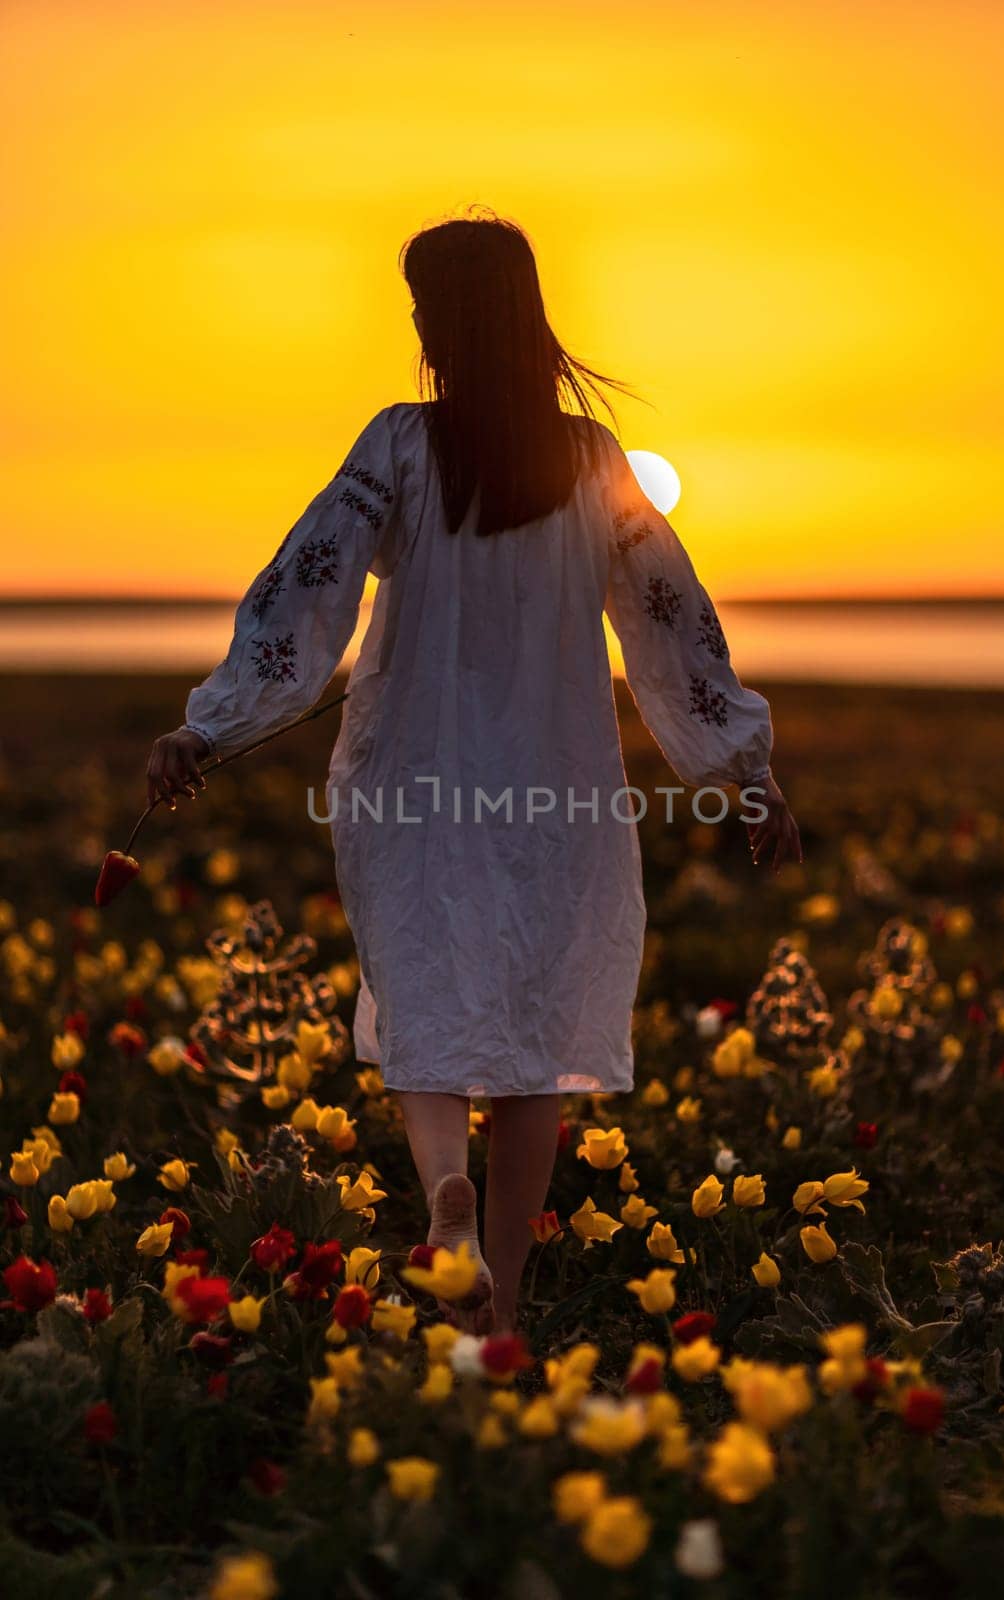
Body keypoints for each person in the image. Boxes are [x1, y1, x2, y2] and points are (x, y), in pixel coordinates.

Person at [146, 208, 801, 1334]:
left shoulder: (398, 445)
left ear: (442, 327)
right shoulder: (595, 463)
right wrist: (744, 769)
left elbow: (307, 588)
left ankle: (443, 1201)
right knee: (537, 1041)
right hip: (556, 787)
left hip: (411, 771)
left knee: (421, 994)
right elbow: (669, 624)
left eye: (418, 310)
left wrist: (213, 723)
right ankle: (498, 1307)